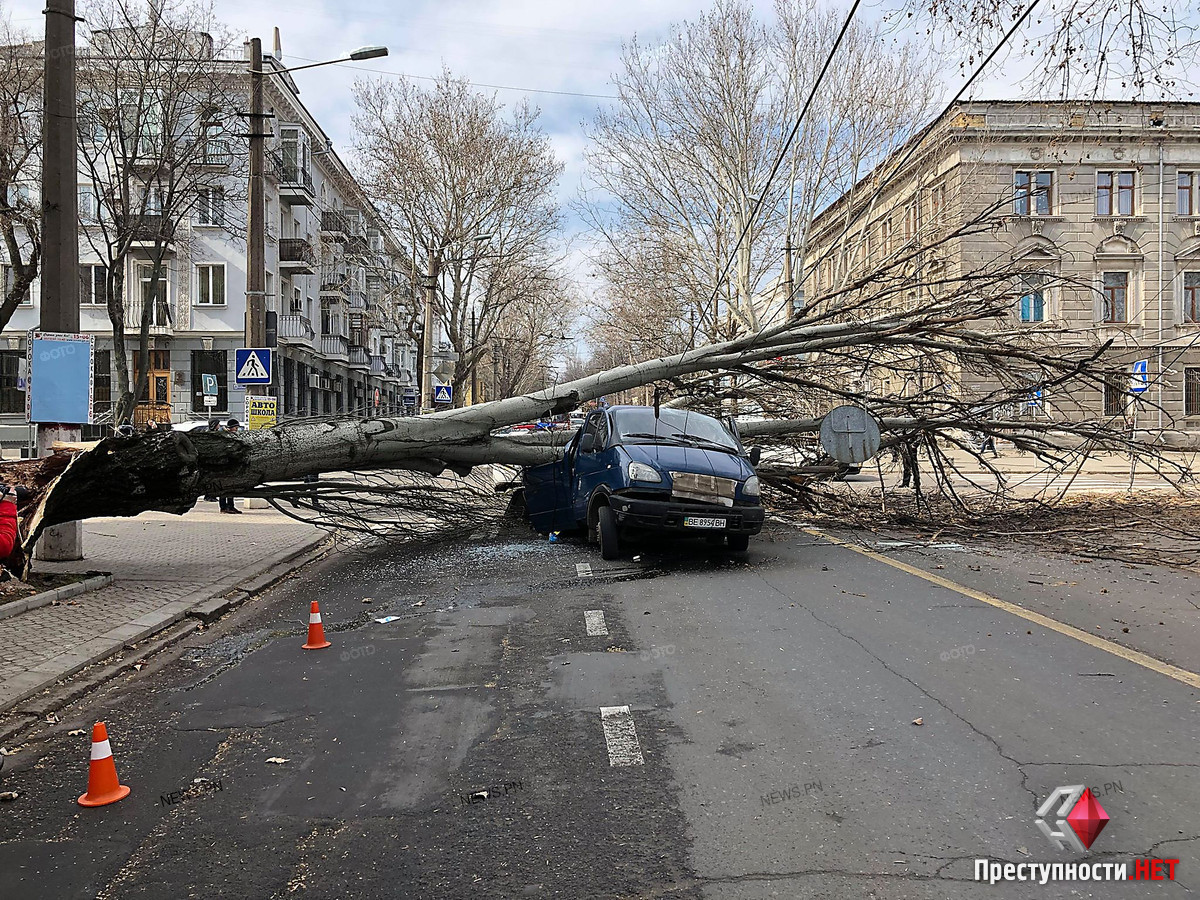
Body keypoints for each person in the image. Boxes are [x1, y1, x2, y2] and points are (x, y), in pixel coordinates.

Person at [218, 419, 242, 514]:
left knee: (230, 488)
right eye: (235, 428)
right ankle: (224, 507)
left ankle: (230, 506)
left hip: (230, 465)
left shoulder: (231, 435)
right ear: (231, 428)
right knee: (224, 488)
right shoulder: (224, 436)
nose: (237, 430)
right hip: (224, 466)